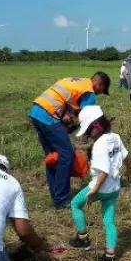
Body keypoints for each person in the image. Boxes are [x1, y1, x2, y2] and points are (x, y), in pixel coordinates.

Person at [29, 72, 111, 209]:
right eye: (101, 91)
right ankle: (61, 199)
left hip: (36, 112)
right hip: (49, 116)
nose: (98, 94)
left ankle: (56, 197)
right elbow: (88, 117)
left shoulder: (76, 81)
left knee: (53, 157)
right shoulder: (89, 91)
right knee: (67, 154)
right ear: (99, 84)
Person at [66, 106, 131, 261]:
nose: (88, 136)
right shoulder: (115, 137)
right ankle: (110, 255)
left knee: (75, 204)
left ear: (96, 126)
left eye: (88, 131)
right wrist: (129, 172)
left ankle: (83, 239)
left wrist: (93, 192)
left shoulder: (99, 145)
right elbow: (127, 156)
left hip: (100, 187)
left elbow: (104, 171)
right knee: (109, 220)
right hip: (114, 188)